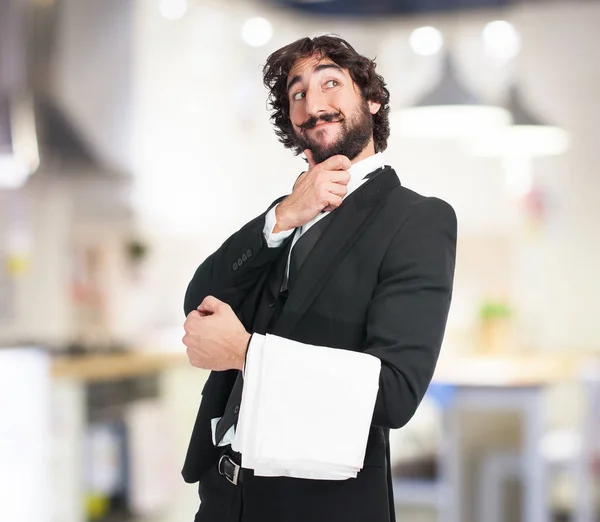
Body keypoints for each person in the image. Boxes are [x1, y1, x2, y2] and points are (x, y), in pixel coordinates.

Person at [181, 35, 457, 522]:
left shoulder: (418, 219)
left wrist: (246, 353)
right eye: (298, 93)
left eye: (331, 82)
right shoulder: (286, 213)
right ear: (291, 120)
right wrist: (284, 215)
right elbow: (200, 299)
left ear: (371, 99)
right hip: (223, 500)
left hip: (323, 506)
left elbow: (394, 393)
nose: (314, 102)